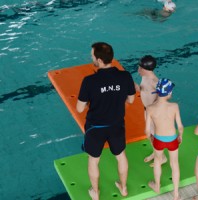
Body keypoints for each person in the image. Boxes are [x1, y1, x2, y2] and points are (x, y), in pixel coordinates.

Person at [76, 42, 135, 200]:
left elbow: (80, 109)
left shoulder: (89, 81)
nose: (91, 57)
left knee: (94, 160)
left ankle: (95, 193)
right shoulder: (125, 76)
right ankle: (123, 188)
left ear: (100, 60)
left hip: (95, 127)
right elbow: (130, 100)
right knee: (120, 155)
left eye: (92, 56)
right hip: (116, 125)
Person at [145, 78, 183, 200]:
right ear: (169, 93)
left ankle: (157, 186)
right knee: (174, 164)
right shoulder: (174, 106)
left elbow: (147, 130)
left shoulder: (150, 108)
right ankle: (176, 193)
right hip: (172, 139)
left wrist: (150, 138)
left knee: (157, 161)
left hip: (158, 139)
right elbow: (180, 126)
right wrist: (180, 135)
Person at [134, 55, 168, 167]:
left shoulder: (155, 81)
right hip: (147, 110)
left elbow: (166, 96)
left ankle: (161, 157)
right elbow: (145, 90)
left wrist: (156, 108)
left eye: (140, 68)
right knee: (149, 135)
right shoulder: (145, 77)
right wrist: (137, 87)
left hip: (154, 114)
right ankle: (156, 153)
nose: (138, 70)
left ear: (145, 69)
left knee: (154, 135)